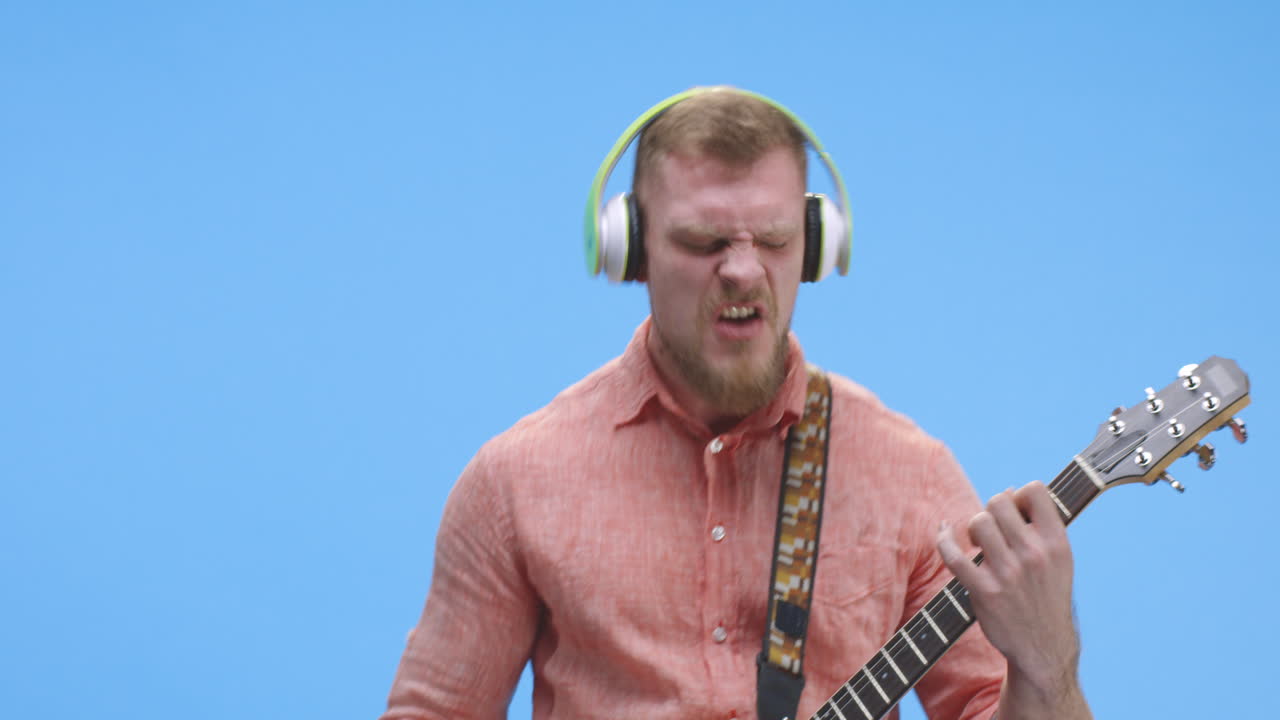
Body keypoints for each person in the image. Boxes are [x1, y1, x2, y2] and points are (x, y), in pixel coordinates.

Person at [380, 87, 1092, 720]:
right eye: (703, 241)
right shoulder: (515, 481)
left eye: (775, 240)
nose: (744, 270)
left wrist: (1049, 664)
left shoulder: (908, 472)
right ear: (632, 251)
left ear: (815, 248)